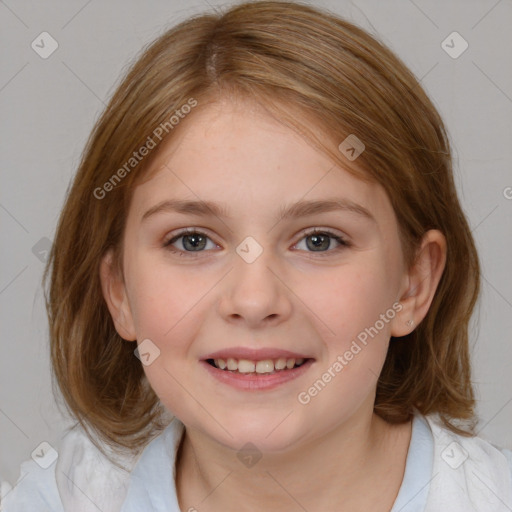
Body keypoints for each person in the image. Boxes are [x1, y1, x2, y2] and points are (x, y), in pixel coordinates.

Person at [1, 1, 511, 511]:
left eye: (319, 240)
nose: (253, 299)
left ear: (412, 284)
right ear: (119, 292)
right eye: (192, 241)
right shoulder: (59, 498)